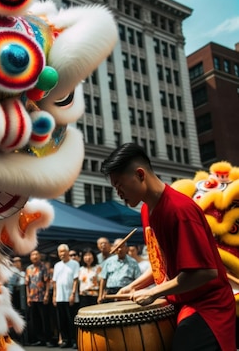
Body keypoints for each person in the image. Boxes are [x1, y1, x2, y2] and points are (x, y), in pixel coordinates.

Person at [101, 142, 236, 350]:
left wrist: (154, 292)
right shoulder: (147, 210)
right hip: (182, 304)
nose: (118, 193)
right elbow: (161, 265)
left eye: (120, 185)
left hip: (208, 308)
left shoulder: (179, 210)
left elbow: (204, 272)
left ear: (139, 174)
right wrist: (135, 286)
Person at [97, 238, 141, 303]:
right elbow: (103, 279)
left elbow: (138, 279)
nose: (119, 249)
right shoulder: (109, 261)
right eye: (117, 247)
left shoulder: (133, 262)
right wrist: (100, 295)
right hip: (110, 292)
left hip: (126, 292)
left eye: (122, 247)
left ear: (126, 248)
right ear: (114, 248)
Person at [52, 244, 79, 349]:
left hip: (70, 297)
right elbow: (54, 282)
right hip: (59, 297)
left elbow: (75, 280)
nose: (62, 254)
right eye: (60, 252)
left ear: (68, 252)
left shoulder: (74, 263)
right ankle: (65, 340)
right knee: (61, 321)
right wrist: (54, 295)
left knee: (72, 320)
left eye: (64, 251)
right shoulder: (57, 265)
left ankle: (74, 340)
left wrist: (73, 294)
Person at [25, 250, 54, 347]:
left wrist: (47, 295)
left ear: (40, 256)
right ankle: (39, 339)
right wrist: (28, 297)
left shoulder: (44, 267)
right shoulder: (28, 268)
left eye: (36, 254)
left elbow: (48, 282)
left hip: (42, 297)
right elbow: (27, 284)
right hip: (32, 298)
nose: (35, 256)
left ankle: (48, 339)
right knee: (35, 320)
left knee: (45, 319)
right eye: (32, 255)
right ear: (30, 257)